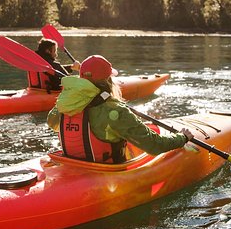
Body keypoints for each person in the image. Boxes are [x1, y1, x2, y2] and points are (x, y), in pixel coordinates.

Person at [47, 54, 194, 164]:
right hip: (105, 174)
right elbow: (154, 145)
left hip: (74, 164)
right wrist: (182, 138)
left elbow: (51, 123)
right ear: (108, 80)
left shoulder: (63, 105)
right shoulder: (115, 110)